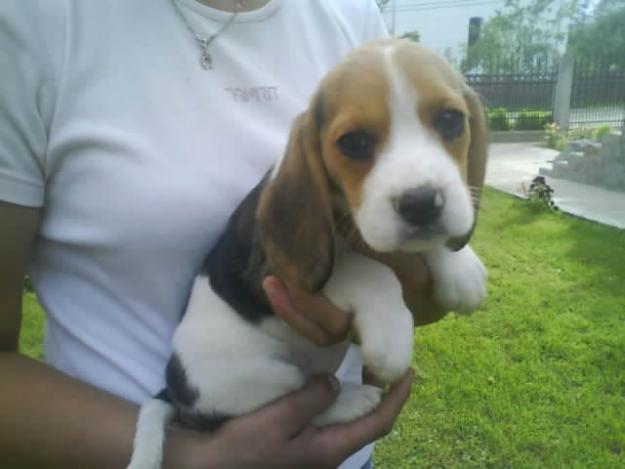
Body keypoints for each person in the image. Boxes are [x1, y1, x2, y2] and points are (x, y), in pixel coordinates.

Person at [0, 0, 434, 467]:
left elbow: (412, 284)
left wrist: (413, 285)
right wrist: (192, 460)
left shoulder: (353, 15)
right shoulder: (33, 20)